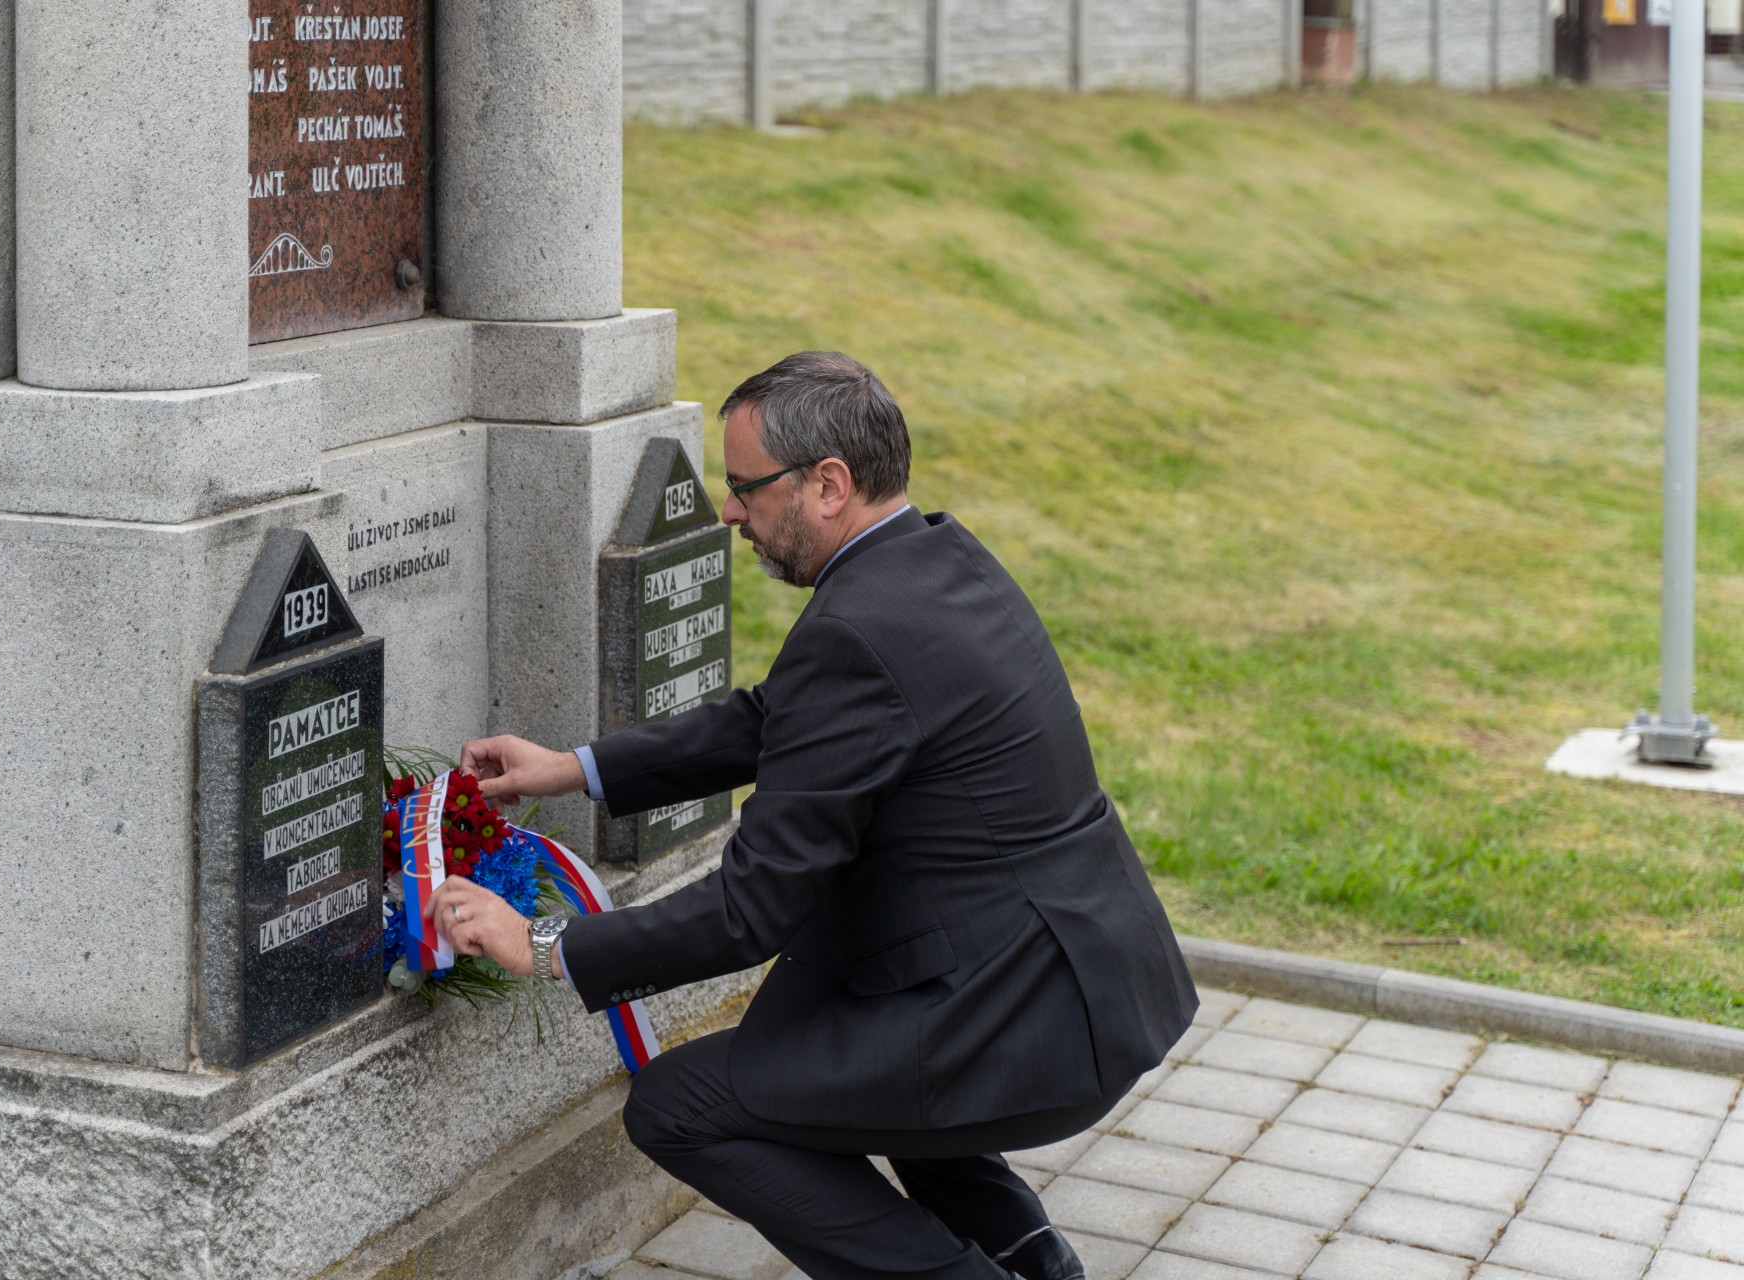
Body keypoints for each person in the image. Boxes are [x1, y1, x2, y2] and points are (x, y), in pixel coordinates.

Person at [432, 351, 1198, 1280]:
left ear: (828, 485)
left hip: (1020, 1022)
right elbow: (778, 718)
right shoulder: (936, 557)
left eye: (746, 487)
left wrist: (543, 941)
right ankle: (1035, 1262)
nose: (729, 512)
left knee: (678, 1106)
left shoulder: (855, 629)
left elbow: (748, 910)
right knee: (834, 1054)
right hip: (1077, 978)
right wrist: (573, 769)